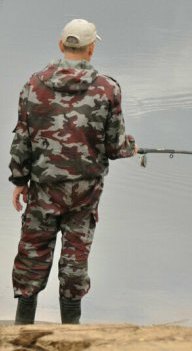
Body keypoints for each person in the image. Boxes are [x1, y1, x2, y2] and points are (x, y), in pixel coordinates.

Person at [8, 18, 137, 325]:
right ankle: (72, 333)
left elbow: (22, 138)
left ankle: (22, 329)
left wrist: (18, 179)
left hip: (42, 187)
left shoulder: (33, 84)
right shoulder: (107, 89)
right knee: (75, 255)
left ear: (60, 45)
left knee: (33, 252)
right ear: (91, 49)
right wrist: (132, 146)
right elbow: (115, 147)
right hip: (85, 190)